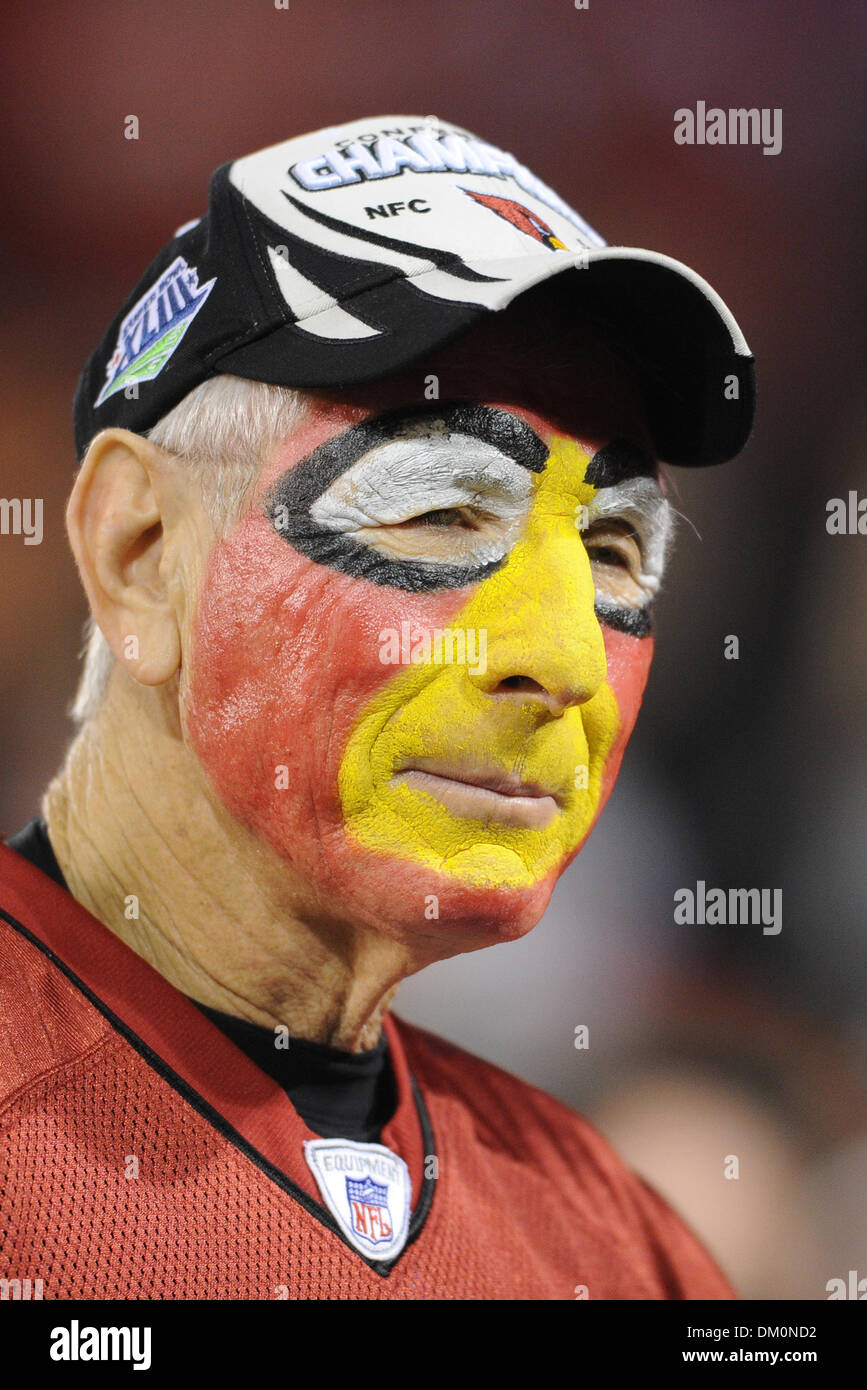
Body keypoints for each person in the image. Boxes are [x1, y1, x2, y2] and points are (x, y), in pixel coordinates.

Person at [0, 113, 755, 1298]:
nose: (561, 660)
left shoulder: (615, 1246)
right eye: (444, 509)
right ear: (140, 553)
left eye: (612, 550)